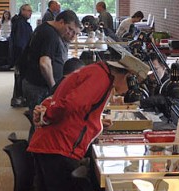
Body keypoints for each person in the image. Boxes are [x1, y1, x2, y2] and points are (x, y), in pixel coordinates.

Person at [28, 55, 149, 191]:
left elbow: (79, 106)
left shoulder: (99, 73)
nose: (129, 90)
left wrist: (93, 119)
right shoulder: (100, 78)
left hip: (54, 145)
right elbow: (71, 104)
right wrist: (47, 116)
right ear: (129, 75)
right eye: (133, 82)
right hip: (58, 147)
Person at [20, 10, 80, 139]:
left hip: (34, 83)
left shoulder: (46, 28)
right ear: (61, 22)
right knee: (40, 124)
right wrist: (54, 87)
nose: (70, 33)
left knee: (38, 123)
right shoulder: (50, 35)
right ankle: (35, 155)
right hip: (39, 86)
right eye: (69, 29)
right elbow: (44, 63)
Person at [9, 4, 33, 108]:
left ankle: (18, 98)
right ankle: (19, 99)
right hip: (22, 56)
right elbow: (20, 43)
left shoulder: (21, 22)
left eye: (31, 11)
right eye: (28, 11)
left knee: (19, 77)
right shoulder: (20, 24)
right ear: (22, 11)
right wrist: (24, 57)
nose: (30, 13)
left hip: (20, 55)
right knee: (21, 78)